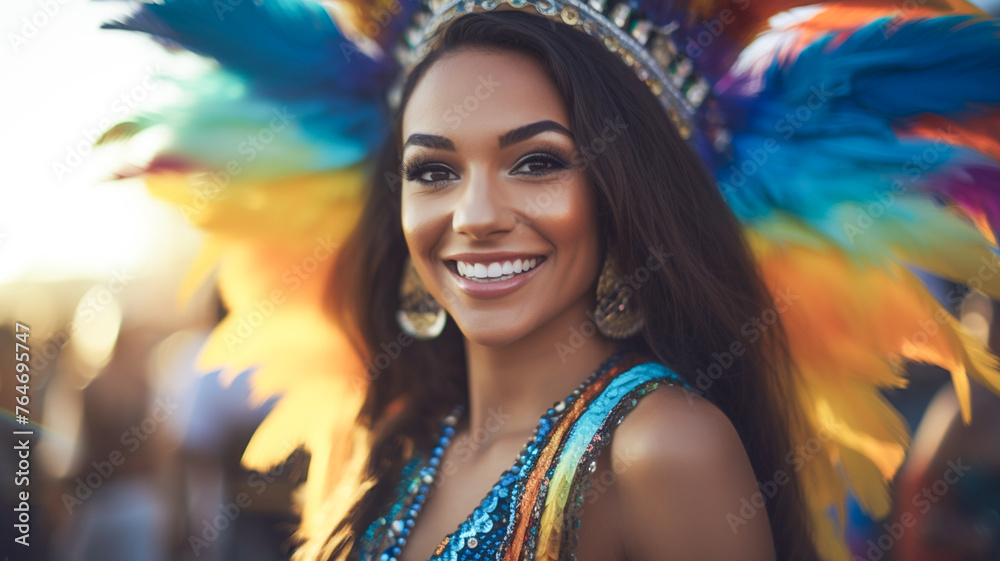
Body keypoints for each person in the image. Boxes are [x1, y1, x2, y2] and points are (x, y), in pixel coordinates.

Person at [97, 0, 1000, 560]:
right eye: (433, 169)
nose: (474, 213)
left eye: (535, 162)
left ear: (624, 195)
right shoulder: (405, 441)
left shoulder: (661, 449)